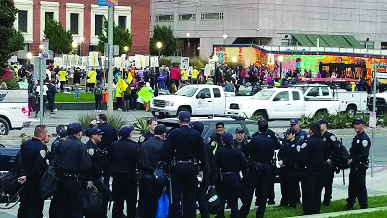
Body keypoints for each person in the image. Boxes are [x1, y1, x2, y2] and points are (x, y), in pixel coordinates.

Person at [161, 111, 206, 218]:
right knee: (190, 197)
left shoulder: (174, 133)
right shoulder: (196, 134)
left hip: (176, 166)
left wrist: (169, 162)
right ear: (189, 121)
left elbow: (165, 151)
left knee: (175, 197)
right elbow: (202, 153)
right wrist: (201, 169)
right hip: (191, 167)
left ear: (179, 120)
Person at [50, 123, 93, 218]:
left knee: (62, 207)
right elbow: (86, 165)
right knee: (76, 207)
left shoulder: (60, 144)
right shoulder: (81, 146)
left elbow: (52, 160)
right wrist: (89, 179)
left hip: (61, 180)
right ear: (79, 134)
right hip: (75, 181)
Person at [239, 119, 280, 218]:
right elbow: (278, 145)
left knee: (249, 191)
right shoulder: (270, 140)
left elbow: (246, 151)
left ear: (258, 128)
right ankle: (260, 214)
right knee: (263, 192)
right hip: (267, 168)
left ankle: (244, 212)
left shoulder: (255, 139)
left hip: (255, 168)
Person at [17, 125, 50, 218]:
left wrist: (23, 174)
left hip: (24, 178)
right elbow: (38, 167)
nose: (48, 135)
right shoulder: (41, 148)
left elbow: (19, 160)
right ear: (42, 134)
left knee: (26, 203)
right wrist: (29, 177)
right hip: (35, 180)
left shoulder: (26, 144)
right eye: (46, 133)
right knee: (36, 205)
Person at [215, 132, 249, 218]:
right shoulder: (236, 152)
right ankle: (235, 215)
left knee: (222, 200)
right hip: (234, 178)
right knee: (234, 200)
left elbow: (214, 164)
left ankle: (220, 216)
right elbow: (245, 164)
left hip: (223, 177)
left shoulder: (219, 152)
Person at [108, 126, 139, 218]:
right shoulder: (134, 146)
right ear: (130, 134)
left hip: (117, 176)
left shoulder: (114, 145)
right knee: (131, 201)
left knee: (117, 200)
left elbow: (109, 159)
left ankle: (117, 216)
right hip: (130, 177)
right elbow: (138, 161)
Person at [138, 125, 166, 218]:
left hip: (144, 178)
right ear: (163, 134)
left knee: (143, 202)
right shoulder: (163, 146)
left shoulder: (144, 144)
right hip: (156, 179)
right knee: (154, 203)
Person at [191, 121, 218, 218]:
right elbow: (212, 163)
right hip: (205, 176)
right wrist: (212, 180)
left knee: (191, 200)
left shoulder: (193, 144)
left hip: (193, 175)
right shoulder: (206, 145)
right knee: (202, 200)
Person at [298, 123, 326, 215]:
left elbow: (302, 158)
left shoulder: (308, 143)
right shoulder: (323, 142)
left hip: (309, 172)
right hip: (320, 172)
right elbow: (326, 155)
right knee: (318, 192)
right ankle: (316, 210)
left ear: (311, 131)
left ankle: (308, 211)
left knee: (308, 193)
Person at [344, 118, 371, 210]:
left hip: (360, 166)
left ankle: (363, 204)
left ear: (362, 125)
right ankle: (350, 203)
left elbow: (363, 155)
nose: (355, 126)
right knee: (352, 186)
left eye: (357, 124)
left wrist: (353, 160)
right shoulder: (356, 138)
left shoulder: (364, 139)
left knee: (360, 185)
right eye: (354, 124)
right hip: (354, 166)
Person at [85, 128, 111, 218]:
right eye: (98, 134)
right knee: (106, 193)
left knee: (102, 194)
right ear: (93, 136)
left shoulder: (95, 146)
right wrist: (99, 175)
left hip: (97, 175)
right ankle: (99, 214)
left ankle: (99, 213)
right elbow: (91, 164)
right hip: (94, 176)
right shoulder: (90, 148)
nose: (101, 136)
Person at [89, 114, 118, 189]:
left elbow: (88, 133)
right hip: (109, 154)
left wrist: (91, 125)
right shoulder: (112, 129)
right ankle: (107, 188)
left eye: (97, 120)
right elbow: (115, 140)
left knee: (99, 174)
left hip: (100, 154)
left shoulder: (99, 129)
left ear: (101, 120)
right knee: (107, 175)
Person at [317, 119, 340, 206]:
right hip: (321, 164)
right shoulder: (319, 136)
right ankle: (318, 200)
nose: (319, 126)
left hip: (329, 164)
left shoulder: (330, 136)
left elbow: (337, 149)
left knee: (328, 183)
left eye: (321, 124)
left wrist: (332, 159)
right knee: (319, 183)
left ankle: (327, 200)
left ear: (325, 125)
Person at [278, 127, 300, 208]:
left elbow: (295, 156)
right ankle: (284, 201)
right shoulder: (285, 143)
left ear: (293, 135)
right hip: (283, 168)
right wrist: (280, 160)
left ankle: (292, 202)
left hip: (291, 168)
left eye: (289, 134)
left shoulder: (296, 144)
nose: (287, 135)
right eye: (286, 134)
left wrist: (284, 161)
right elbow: (280, 152)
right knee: (283, 185)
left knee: (292, 186)